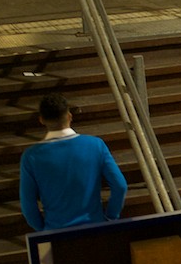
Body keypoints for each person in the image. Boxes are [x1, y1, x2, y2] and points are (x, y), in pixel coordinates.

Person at [19, 93, 127, 231]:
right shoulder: (95, 145)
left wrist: (43, 229)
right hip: (95, 227)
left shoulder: (31, 156)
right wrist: (111, 217)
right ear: (69, 116)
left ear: (42, 120)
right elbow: (120, 186)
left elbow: (28, 204)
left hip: (56, 232)